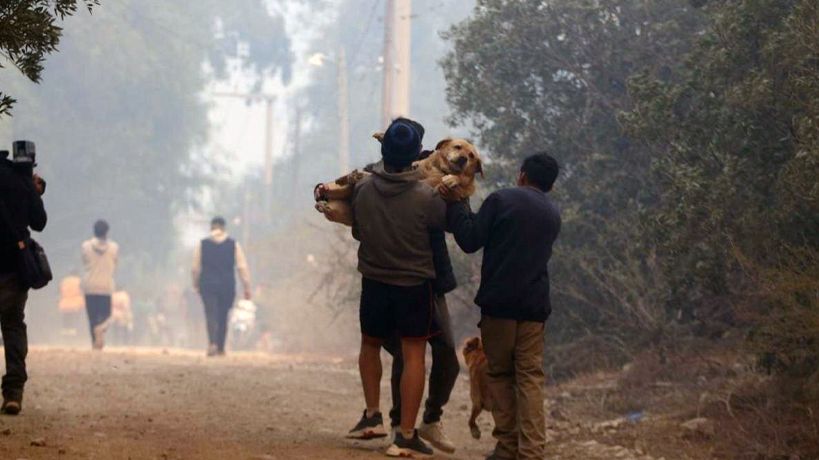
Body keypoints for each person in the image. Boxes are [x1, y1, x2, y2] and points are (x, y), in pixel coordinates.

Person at [440, 153, 561, 460]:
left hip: (500, 305)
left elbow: (469, 240)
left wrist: (457, 202)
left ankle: (507, 447)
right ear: (550, 185)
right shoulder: (552, 213)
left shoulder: (501, 199)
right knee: (530, 377)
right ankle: (532, 451)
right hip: (535, 307)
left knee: (501, 375)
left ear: (521, 175)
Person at [346, 118, 445, 458]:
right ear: (417, 154)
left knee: (370, 344)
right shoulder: (428, 196)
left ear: (383, 149)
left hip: (374, 281)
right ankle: (404, 434)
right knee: (414, 352)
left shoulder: (362, 188)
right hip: (414, 285)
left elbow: (357, 231)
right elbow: (437, 231)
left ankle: (372, 416)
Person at [0, 151, 47, 415]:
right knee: (13, 325)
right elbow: (39, 222)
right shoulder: (20, 179)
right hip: (12, 268)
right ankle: (13, 393)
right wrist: (34, 190)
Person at [191, 216, 252, 356]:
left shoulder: (203, 244)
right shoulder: (233, 244)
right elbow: (242, 267)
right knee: (223, 314)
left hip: (207, 284)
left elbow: (195, 268)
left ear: (212, 227)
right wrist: (246, 287)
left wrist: (195, 284)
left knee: (210, 313)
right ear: (224, 228)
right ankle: (220, 347)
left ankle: (212, 342)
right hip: (227, 285)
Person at [81, 219, 120, 350]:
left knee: (92, 317)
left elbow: (85, 261)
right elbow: (115, 263)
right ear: (107, 232)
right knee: (106, 316)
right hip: (106, 286)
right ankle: (100, 330)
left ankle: (95, 345)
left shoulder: (85, 246)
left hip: (90, 286)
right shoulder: (114, 248)